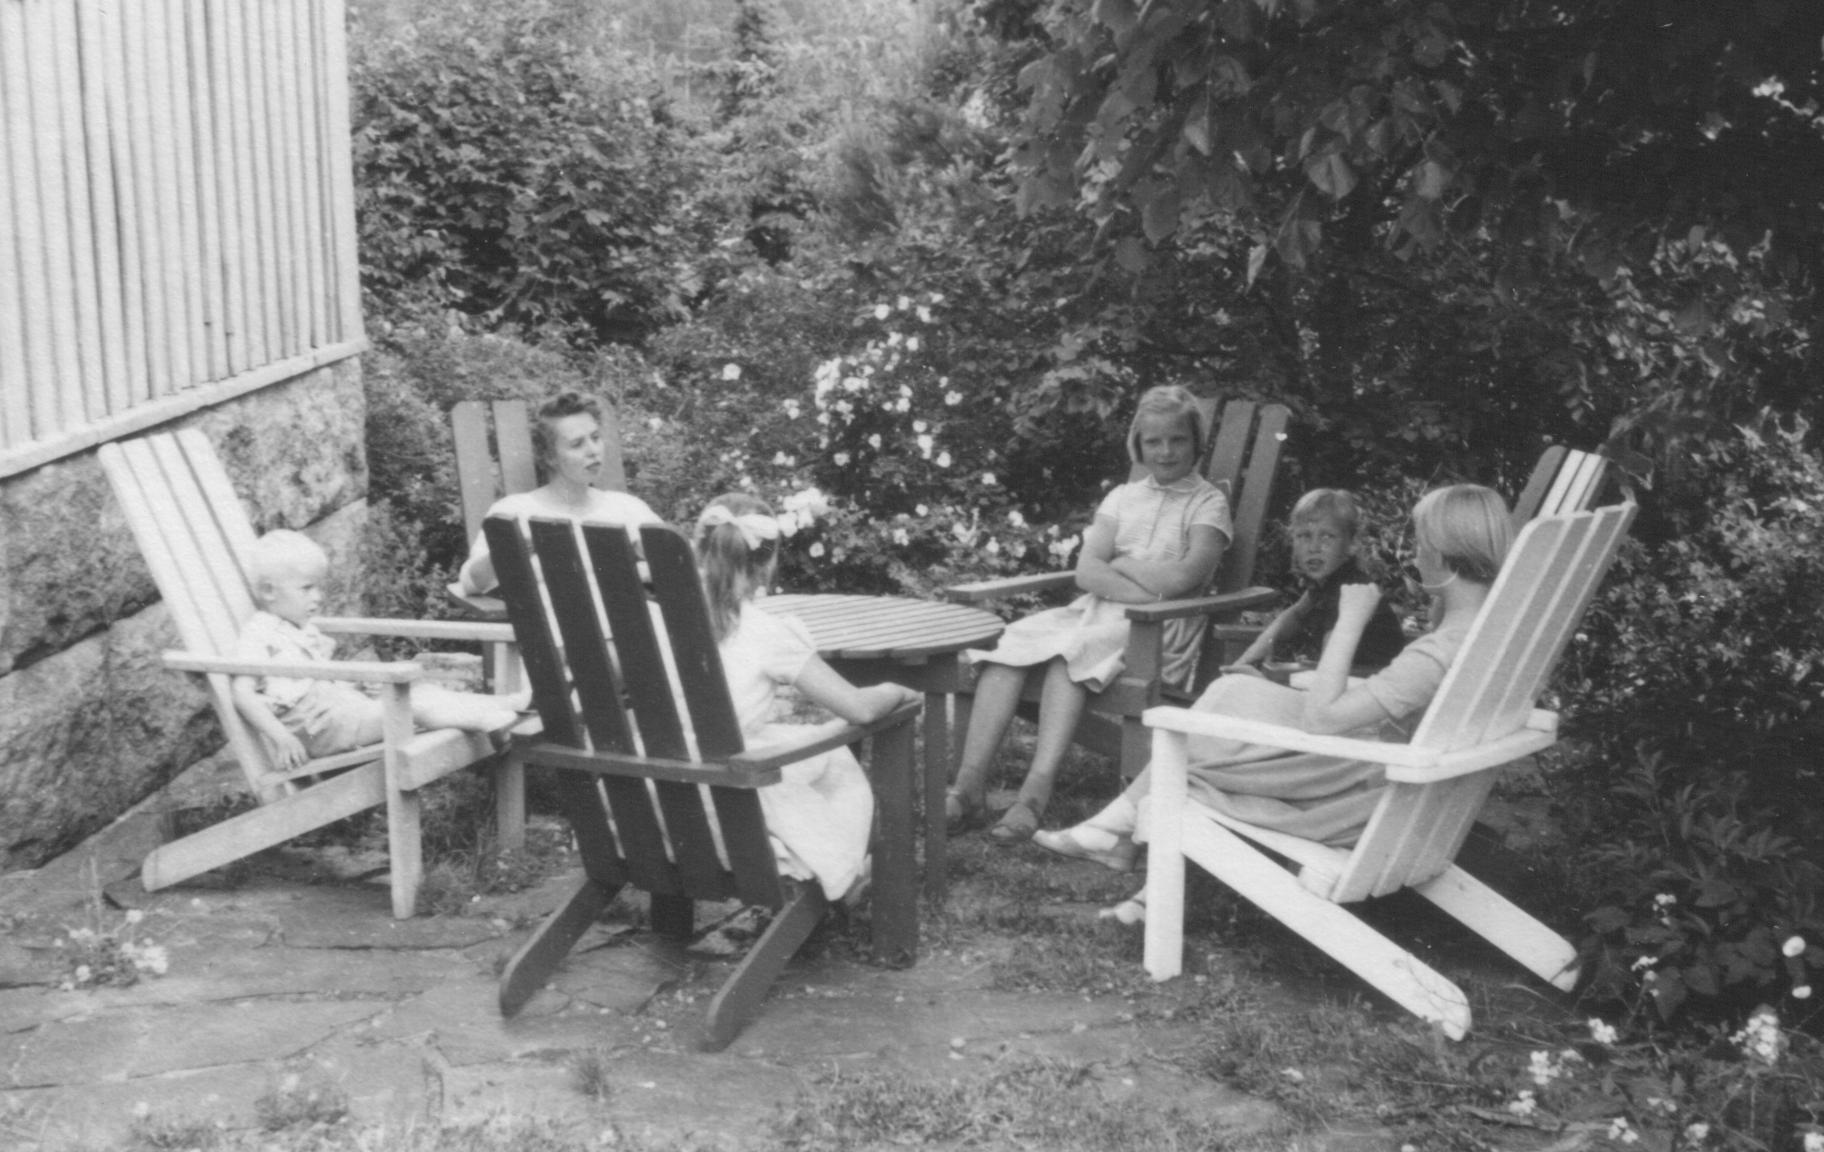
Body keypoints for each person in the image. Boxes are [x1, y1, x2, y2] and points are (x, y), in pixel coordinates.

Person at [1032, 484, 1513, 923]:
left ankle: (1120, 834)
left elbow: (1322, 720)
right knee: (1232, 695)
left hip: (1359, 800)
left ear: (1444, 555)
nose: (1415, 555)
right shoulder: (1487, 635)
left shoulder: (1438, 652)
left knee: (1198, 757)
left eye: (1421, 543)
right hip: (1395, 782)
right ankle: (1124, 848)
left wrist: (1349, 622)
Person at [948, 385, 1232, 845]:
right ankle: (968, 789)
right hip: (1095, 612)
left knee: (1071, 654)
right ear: (1137, 444)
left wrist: (1122, 565)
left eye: (1177, 439)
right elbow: (1087, 571)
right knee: (1010, 645)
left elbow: (1183, 579)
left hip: (1159, 630)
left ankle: (1033, 796)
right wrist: (1144, 583)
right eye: (1153, 441)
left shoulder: (1208, 503)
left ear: (1196, 442)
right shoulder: (1122, 497)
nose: (1165, 451)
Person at [694, 493, 922, 903]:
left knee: (782, 743)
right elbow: (858, 708)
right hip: (729, 805)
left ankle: (833, 860)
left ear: (700, 549)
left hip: (653, 805)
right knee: (831, 755)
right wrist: (896, 690)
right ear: (767, 563)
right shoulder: (766, 631)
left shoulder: (656, 619)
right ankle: (841, 869)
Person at [233, 531, 527, 770]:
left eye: (318, 588)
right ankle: (493, 721)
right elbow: (242, 693)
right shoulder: (259, 632)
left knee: (420, 693)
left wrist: (353, 682)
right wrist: (281, 737)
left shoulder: (298, 627)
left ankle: (503, 705)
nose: (318, 597)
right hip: (319, 728)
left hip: (341, 713)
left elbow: (318, 679)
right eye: (306, 588)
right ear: (269, 591)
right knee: (410, 706)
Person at [458, 390, 661, 597]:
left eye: (595, 437)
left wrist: (647, 563)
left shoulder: (627, 508)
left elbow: (674, 567)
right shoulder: (515, 512)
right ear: (549, 456)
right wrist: (506, 553)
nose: (593, 450)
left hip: (629, 614)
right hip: (551, 615)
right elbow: (470, 582)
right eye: (577, 444)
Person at [1221, 488, 1405, 680]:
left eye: (1327, 536)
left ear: (1351, 544)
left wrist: (1264, 679)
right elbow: (1294, 616)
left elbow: (1328, 673)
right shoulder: (1328, 583)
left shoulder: (1349, 591)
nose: (1314, 547)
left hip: (1370, 681)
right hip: (1346, 679)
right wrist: (1245, 660)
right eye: (1304, 536)